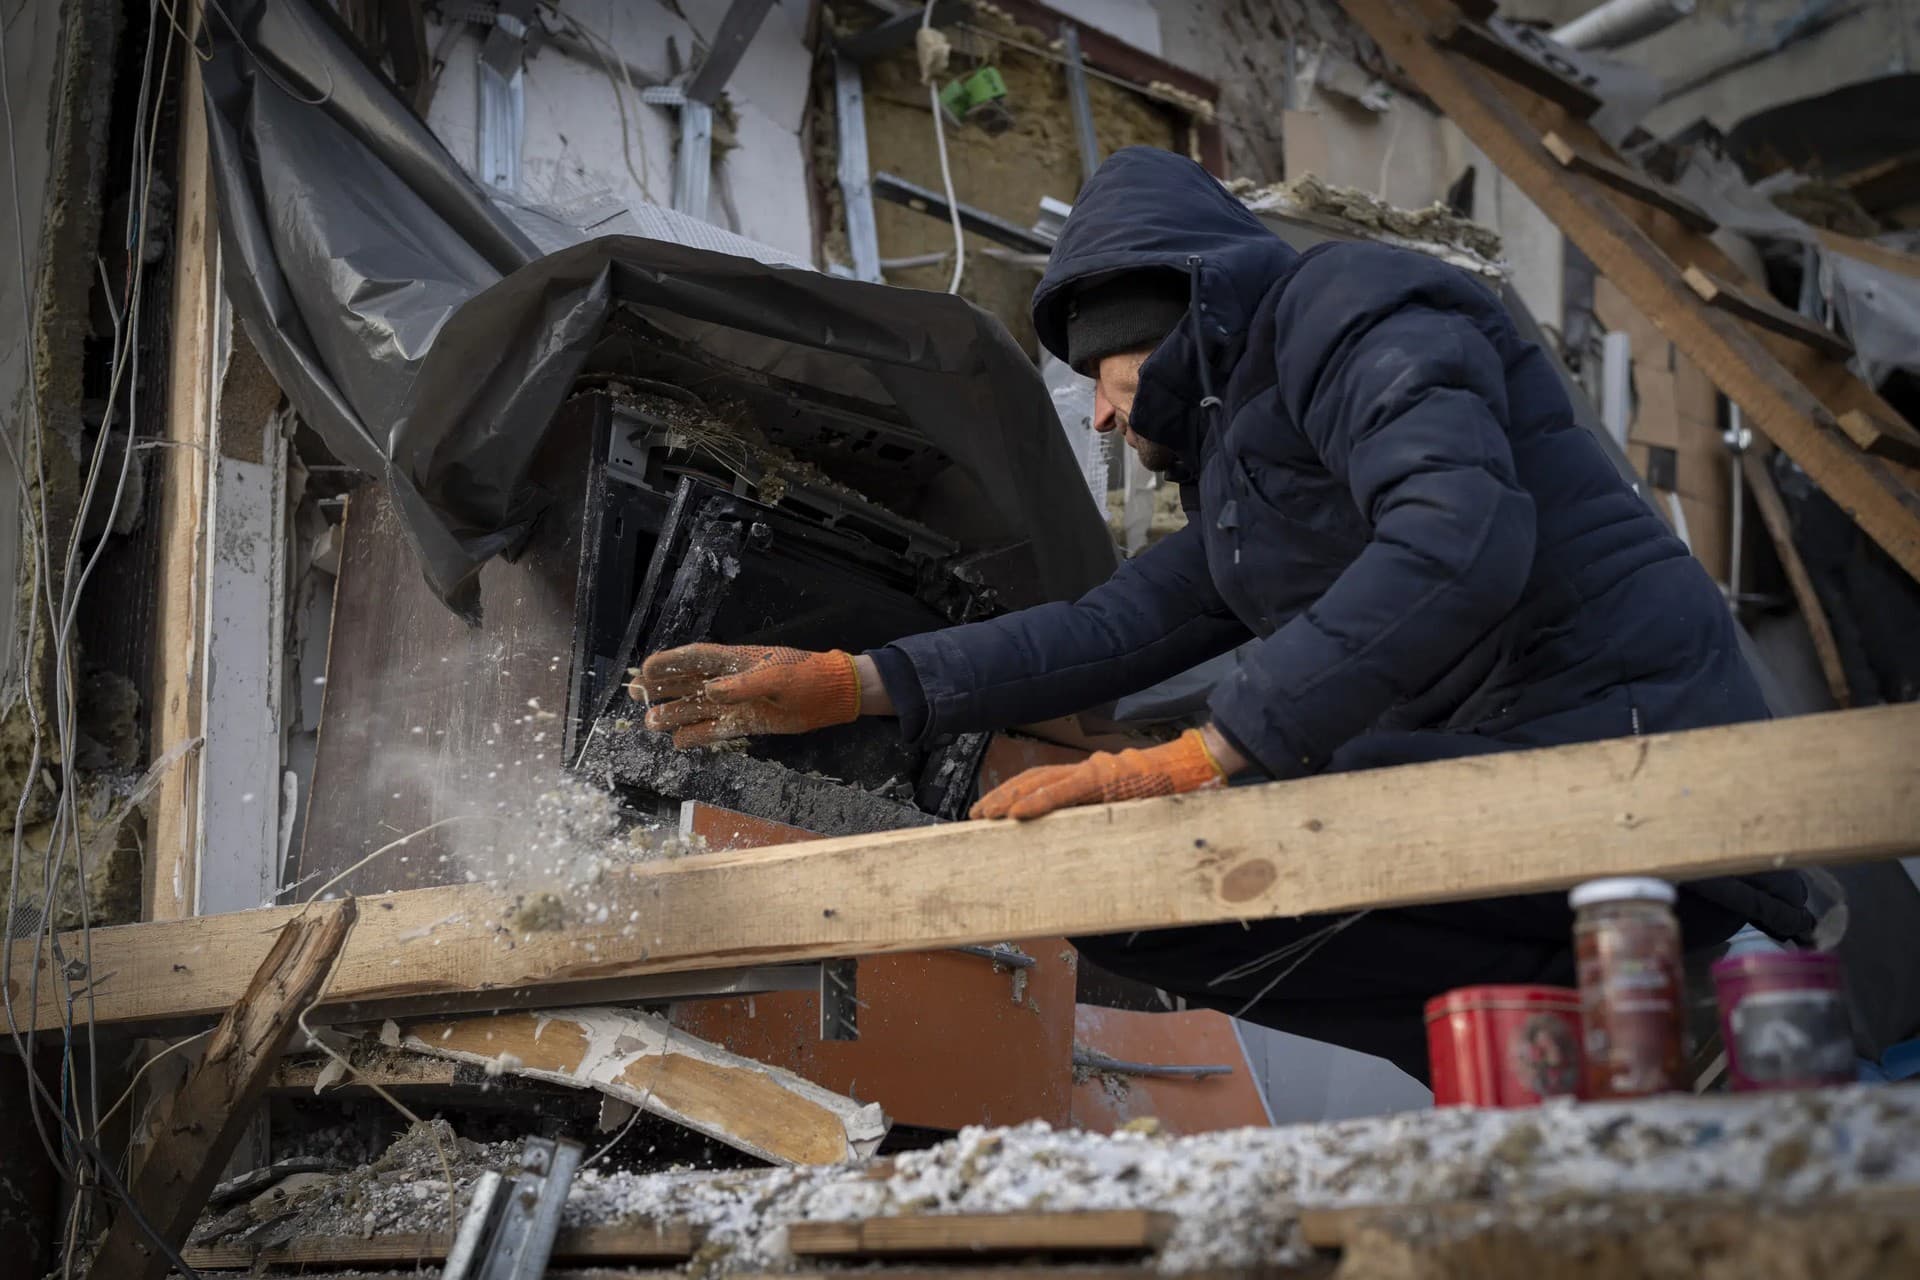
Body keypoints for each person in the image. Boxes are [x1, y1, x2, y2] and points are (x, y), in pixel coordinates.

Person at [630, 147, 1812, 1079]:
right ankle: (1529, 1058)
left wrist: (1204, 754)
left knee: (1183, 850)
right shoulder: (1244, 484)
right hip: (1491, 760)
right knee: (1121, 900)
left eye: (1102, 377)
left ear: (1164, 326)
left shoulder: (1358, 306)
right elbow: (1107, 628)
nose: (1096, 416)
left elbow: (1459, 539)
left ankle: (1652, 1017)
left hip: (1623, 741)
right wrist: (854, 678)